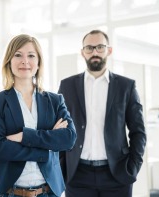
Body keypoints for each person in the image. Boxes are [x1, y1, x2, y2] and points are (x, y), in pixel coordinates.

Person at [0, 34, 77, 197]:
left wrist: (24, 136)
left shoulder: (55, 101)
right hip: (9, 192)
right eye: (18, 55)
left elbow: (68, 139)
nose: (25, 61)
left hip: (48, 192)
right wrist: (46, 147)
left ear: (39, 62)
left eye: (31, 55)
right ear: (9, 61)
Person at [58, 30, 146, 197]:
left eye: (100, 47)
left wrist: (133, 167)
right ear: (82, 52)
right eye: (89, 48)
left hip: (117, 174)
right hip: (77, 175)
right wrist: (63, 166)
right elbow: (59, 130)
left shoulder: (126, 86)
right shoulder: (67, 86)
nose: (95, 52)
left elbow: (138, 131)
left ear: (109, 50)